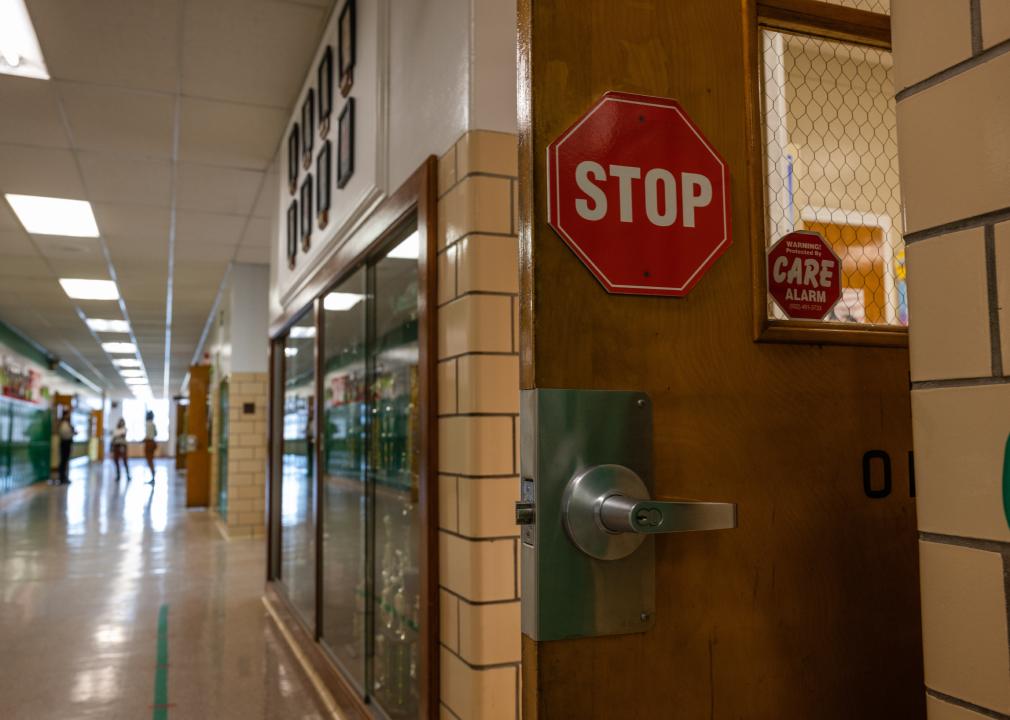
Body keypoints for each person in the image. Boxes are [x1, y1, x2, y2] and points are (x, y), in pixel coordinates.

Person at [110, 418, 131, 482]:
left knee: (125, 461)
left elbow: (121, 434)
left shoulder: (124, 429)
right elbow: (113, 437)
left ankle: (128, 475)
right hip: (116, 446)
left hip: (122, 446)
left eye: (122, 422)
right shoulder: (116, 429)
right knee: (116, 460)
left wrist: (117, 434)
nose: (121, 423)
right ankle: (118, 475)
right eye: (120, 422)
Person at [57, 413, 74, 485]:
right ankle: (62, 478)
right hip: (65, 444)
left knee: (65, 461)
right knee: (63, 461)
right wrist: (71, 433)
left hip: (66, 444)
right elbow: (65, 434)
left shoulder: (67, 424)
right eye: (67, 415)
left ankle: (63, 477)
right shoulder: (64, 424)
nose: (69, 416)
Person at [144, 411, 157, 483]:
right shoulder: (153, 424)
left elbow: (148, 435)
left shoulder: (147, 424)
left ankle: (153, 475)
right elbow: (155, 434)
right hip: (153, 443)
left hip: (149, 443)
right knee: (151, 459)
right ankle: (153, 475)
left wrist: (144, 440)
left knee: (149, 460)